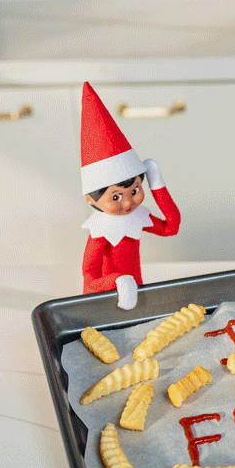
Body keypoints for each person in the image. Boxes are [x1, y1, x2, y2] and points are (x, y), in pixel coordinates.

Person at [80, 82, 180, 309]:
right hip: (105, 300)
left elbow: (170, 227)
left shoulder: (136, 218)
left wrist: (158, 185)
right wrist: (118, 281)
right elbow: (89, 277)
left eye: (134, 191)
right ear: (91, 200)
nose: (127, 202)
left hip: (138, 292)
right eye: (115, 197)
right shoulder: (99, 232)